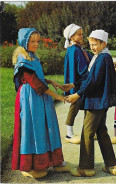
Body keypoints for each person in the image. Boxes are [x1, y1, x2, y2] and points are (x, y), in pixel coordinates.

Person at [12, 28, 71, 178]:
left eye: (37, 41)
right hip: (30, 98)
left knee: (44, 127)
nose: (36, 44)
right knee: (33, 128)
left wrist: (54, 83)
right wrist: (57, 96)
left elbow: (39, 79)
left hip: (38, 97)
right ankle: (29, 166)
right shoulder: (23, 60)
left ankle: (50, 162)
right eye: (32, 41)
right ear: (24, 42)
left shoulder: (32, 57)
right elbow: (36, 84)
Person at [64, 29, 116, 176]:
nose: (93, 47)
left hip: (96, 101)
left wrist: (78, 94)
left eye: (95, 44)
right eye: (91, 44)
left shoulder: (102, 58)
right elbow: (90, 77)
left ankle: (86, 167)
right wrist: (74, 85)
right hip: (100, 101)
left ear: (104, 43)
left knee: (87, 133)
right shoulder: (102, 56)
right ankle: (111, 165)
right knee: (101, 131)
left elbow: (93, 81)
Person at [63, 23, 92, 144]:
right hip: (79, 82)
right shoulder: (74, 50)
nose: (82, 36)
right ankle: (69, 134)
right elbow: (81, 68)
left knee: (87, 104)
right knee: (75, 105)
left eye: (82, 34)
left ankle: (89, 131)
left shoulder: (78, 48)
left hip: (80, 81)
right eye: (79, 35)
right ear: (71, 36)